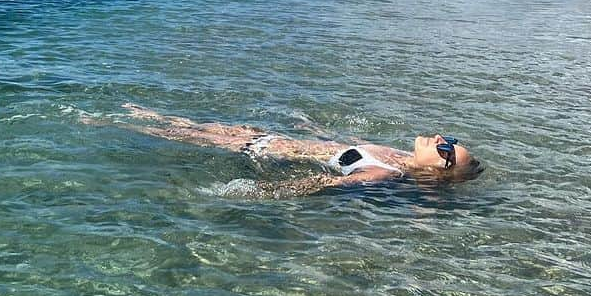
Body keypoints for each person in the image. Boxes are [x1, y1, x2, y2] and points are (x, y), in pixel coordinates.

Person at [117, 104, 482, 192]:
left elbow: (322, 184)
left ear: (439, 169)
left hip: (261, 150)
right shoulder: (395, 154)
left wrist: (258, 191)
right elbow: (340, 148)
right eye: (447, 138)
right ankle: (133, 114)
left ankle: (110, 122)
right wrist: (313, 128)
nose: (439, 139)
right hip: (267, 135)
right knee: (183, 124)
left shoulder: (382, 173)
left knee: (176, 134)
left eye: (447, 147)